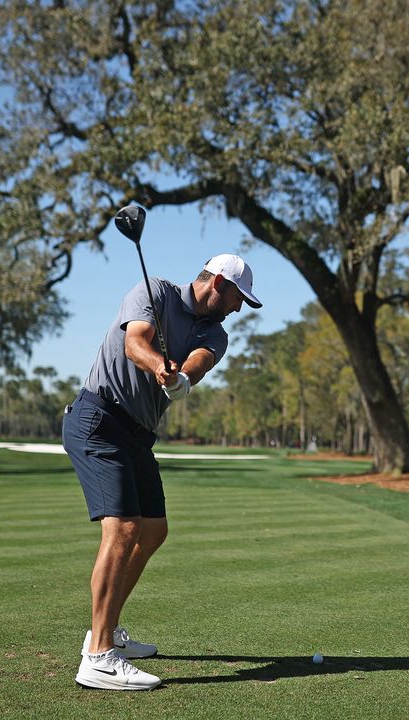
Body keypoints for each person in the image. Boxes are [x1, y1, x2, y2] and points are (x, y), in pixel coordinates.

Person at [64, 253, 261, 690]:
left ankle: (108, 628)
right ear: (217, 284)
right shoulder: (153, 291)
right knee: (124, 529)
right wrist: (157, 365)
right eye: (237, 298)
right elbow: (136, 342)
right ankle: (97, 656)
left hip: (137, 434)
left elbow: (200, 362)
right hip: (98, 418)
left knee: (153, 530)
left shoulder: (215, 331)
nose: (238, 308)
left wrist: (179, 380)